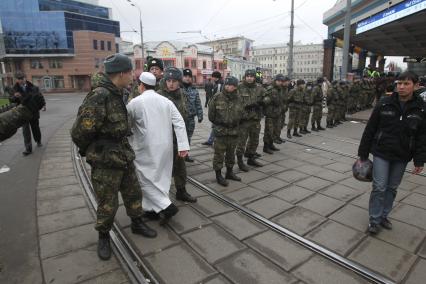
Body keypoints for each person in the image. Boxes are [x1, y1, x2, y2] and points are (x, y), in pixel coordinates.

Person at [71, 54, 157, 261]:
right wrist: (93, 152)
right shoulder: (99, 96)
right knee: (107, 202)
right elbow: (80, 132)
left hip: (123, 153)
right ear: (121, 73)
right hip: (105, 159)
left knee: (133, 191)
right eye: (131, 72)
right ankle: (103, 236)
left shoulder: (119, 92)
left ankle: (136, 223)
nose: (134, 76)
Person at [358, 71, 426, 235]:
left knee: (392, 188)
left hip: (402, 155)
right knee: (379, 187)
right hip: (382, 152)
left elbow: (422, 136)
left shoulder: (421, 108)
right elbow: (370, 128)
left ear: (416, 86)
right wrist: (363, 153)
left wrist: (419, 161)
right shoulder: (384, 103)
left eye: (406, 84)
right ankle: (374, 220)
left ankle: (383, 216)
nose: (401, 87)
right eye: (399, 83)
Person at [127, 72, 189, 224]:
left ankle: (166, 207)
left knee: (143, 179)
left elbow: (126, 126)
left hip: (144, 147)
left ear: (140, 85)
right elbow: (179, 122)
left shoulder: (135, 102)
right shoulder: (165, 101)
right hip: (166, 146)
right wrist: (183, 145)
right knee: (161, 178)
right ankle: (151, 210)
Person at [158, 67, 197, 203]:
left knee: (180, 167)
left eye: (174, 81)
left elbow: (185, 113)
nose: (171, 84)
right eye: (168, 80)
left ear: (179, 82)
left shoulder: (182, 94)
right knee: (163, 170)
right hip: (163, 139)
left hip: (178, 138)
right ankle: (161, 198)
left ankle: (181, 191)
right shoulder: (159, 96)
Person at [208, 76, 243, 186]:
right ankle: (218, 175)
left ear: (235, 87)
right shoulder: (217, 97)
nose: (228, 87)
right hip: (221, 131)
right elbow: (211, 115)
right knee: (219, 154)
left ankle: (229, 172)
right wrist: (220, 123)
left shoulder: (239, 98)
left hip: (233, 131)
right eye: (227, 85)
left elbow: (241, 113)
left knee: (231, 154)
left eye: (231, 85)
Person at [11, 71, 46, 156]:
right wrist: (15, 97)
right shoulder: (15, 89)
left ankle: (38, 140)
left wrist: (43, 104)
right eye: (19, 79)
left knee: (35, 128)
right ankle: (28, 148)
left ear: (25, 78)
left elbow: (40, 97)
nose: (21, 80)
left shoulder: (33, 87)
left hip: (33, 112)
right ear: (16, 80)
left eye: (22, 78)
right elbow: (11, 99)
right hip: (23, 113)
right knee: (25, 131)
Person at [236, 69, 264, 171]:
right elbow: (235, 103)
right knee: (241, 142)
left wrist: (263, 102)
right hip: (244, 120)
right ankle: (240, 161)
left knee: (254, 141)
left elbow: (266, 97)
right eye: (247, 76)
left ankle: (251, 158)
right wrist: (248, 105)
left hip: (256, 119)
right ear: (245, 77)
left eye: (251, 76)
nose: (249, 78)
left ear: (254, 77)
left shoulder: (259, 88)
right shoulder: (239, 87)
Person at [182, 68, 203, 162]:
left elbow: (198, 103)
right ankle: (178, 157)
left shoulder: (194, 90)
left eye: (189, 77)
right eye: (185, 76)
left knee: (188, 137)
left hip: (190, 119)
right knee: (179, 138)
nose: (187, 78)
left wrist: (200, 115)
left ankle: (185, 155)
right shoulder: (178, 89)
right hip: (180, 119)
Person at [263, 74, 285, 154]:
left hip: (277, 113)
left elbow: (280, 100)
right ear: (275, 80)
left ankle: (271, 144)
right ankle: (266, 147)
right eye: (278, 81)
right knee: (269, 131)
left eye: (281, 81)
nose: (279, 83)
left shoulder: (280, 89)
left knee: (275, 130)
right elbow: (265, 101)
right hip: (270, 113)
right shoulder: (270, 89)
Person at [202, 71, 223, 146]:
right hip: (216, 107)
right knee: (215, 125)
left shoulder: (219, 85)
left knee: (216, 125)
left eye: (213, 76)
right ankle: (210, 140)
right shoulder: (217, 83)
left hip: (218, 108)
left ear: (215, 77)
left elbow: (218, 96)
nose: (212, 78)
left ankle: (213, 141)